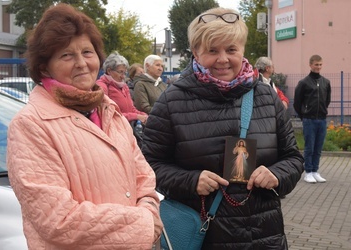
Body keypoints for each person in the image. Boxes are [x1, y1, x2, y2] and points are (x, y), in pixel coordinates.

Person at [141, 7, 304, 249]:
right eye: (212, 50)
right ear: (196, 52)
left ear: (242, 49)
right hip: (203, 235)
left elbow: (293, 157)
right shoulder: (172, 101)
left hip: (263, 235)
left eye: (231, 49)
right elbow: (147, 166)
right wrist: (190, 180)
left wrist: (277, 175)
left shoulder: (265, 97)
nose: (223, 59)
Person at [6, 4, 162, 250]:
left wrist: (150, 208)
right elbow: (57, 220)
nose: (81, 63)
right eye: (67, 55)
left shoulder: (109, 111)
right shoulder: (31, 125)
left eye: (87, 52)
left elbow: (143, 177)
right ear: (45, 67)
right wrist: (143, 223)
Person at [293, 54, 331, 183]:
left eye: (320, 65)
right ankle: (308, 172)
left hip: (321, 119)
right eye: (316, 64)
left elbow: (327, 100)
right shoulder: (304, 83)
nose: (318, 67)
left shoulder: (326, 82)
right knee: (310, 147)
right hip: (309, 120)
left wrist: (322, 111)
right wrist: (303, 115)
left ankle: (315, 171)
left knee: (318, 147)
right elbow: (297, 103)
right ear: (310, 65)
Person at [96, 52, 148, 124]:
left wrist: (144, 115)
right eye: (120, 72)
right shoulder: (102, 86)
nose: (123, 76)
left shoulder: (123, 86)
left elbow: (131, 109)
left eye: (124, 73)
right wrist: (136, 116)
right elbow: (107, 115)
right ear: (109, 71)